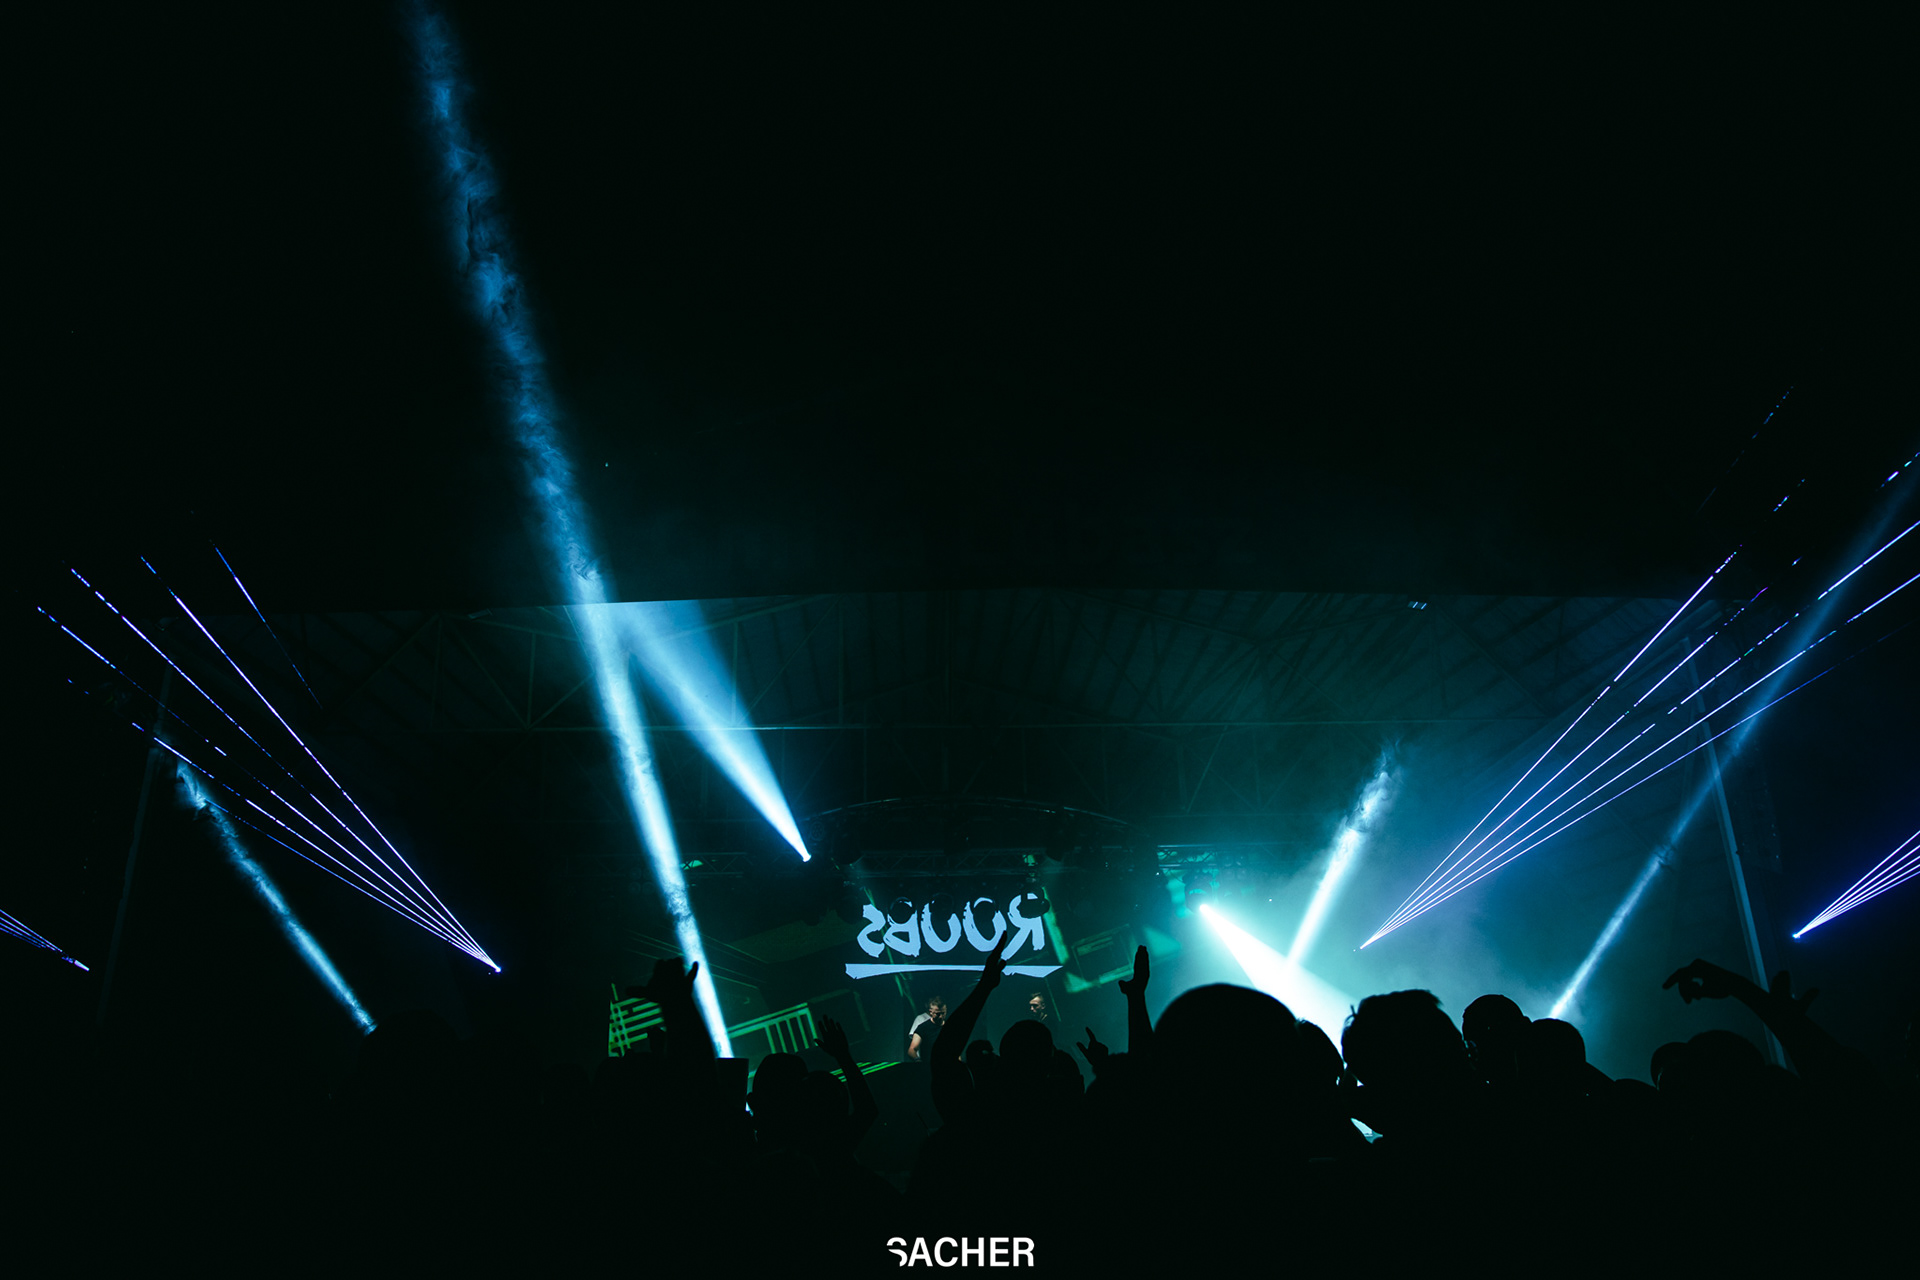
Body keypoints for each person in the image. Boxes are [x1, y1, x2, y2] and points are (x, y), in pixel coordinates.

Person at [906, 996, 948, 1061]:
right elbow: (912, 1050)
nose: (940, 1017)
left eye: (943, 1013)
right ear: (931, 1012)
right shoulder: (923, 1028)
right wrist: (918, 1061)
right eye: (938, 1014)